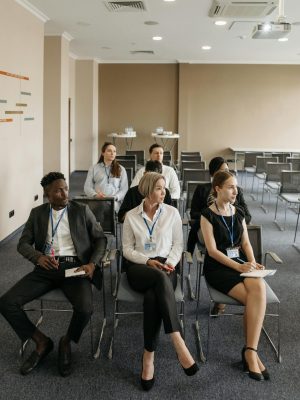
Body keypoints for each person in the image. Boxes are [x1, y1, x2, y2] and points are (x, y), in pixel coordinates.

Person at [0, 172, 107, 377]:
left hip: (75, 267)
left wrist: (92, 264)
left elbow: (100, 239)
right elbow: (23, 243)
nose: (64, 193)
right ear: (47, 193)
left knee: (85, 309)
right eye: (58, 190)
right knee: (6, 302)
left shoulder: (81, 210)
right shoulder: (38, 213)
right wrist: (38, 257)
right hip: (46, 268)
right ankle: (41, 342)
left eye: (65, 188)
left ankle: (66, 342)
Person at [122, 172, 198, 391]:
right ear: (146, 190)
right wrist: (148, 261)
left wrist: (170, 263)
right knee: (158, 278)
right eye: (158, 188)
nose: (164, 192)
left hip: (167, 265)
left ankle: (148, 358)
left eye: (164, 188)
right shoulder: (131, 216)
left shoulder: (173, 213)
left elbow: (177, 245)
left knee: (152, 298)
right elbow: (126, 249)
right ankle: (178, 340)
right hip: (140, 267)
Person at [201, 171, 269, 381]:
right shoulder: (207, 215)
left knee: (258, 286)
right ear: (217, 188)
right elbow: (212, 251)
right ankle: (250, 354)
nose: (235, 191)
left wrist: (252, 263)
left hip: (239, 264)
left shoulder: (238, 213)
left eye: (236, 187)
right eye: (230, 187)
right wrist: (238, 267)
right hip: (218, 268)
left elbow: (246, 243)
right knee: (254, 298)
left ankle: (251, 350)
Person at [187, 156, 251, 315]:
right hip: (208, 229)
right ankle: (188, 251)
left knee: (255, 291)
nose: (226, 173)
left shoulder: (236, 194)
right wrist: (212, 214)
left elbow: (247, 215)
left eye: (227, 170)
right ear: (214, 175)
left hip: (232, 232)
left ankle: (224, 299)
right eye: (222, 171)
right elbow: (194, 213)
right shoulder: (202, 189)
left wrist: (231, 218)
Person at [84, 142, 128, 212]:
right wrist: (95, 195)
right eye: (109, 151)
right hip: (98, 201)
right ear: (103, 153)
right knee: (101, 207)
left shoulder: (121, 169)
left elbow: (124, 189)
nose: (112, 153)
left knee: (105, 209)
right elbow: (87, 187)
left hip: (114, 202)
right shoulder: (94, 168)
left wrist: (115, 197)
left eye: (114, 151)